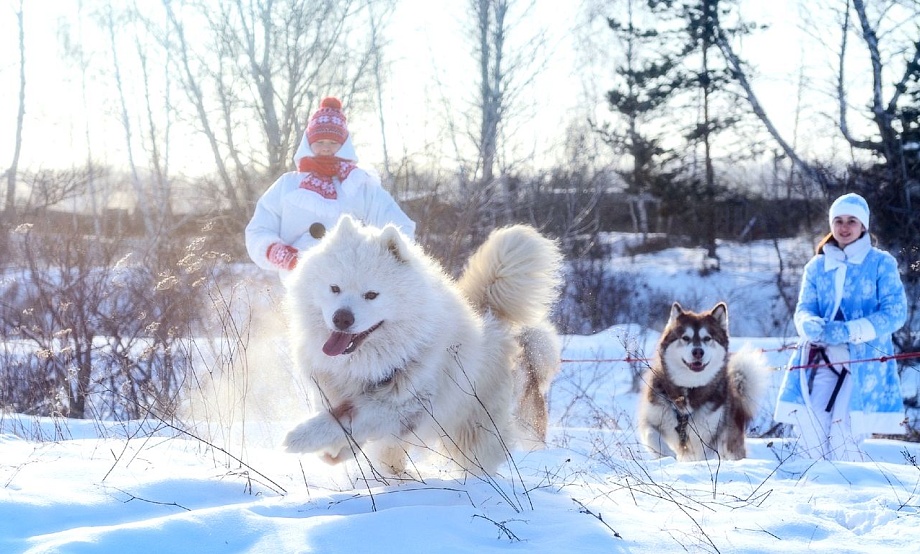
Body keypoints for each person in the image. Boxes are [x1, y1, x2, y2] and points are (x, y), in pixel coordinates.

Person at [774, 193, 908, 461]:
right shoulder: (817, 265)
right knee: (810, 433)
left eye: (851, 221)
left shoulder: (881, 263)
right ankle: (809, 493)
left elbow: (896, 313)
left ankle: (848, 494)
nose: (844, 227)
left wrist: (851, 331)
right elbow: (804, 309)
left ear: (863, 226)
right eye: (838, 221)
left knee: (843, 438)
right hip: (821, 358)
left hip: (863, 361)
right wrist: (808, 325)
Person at [245, 96, 416, 281]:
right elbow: (259, 229)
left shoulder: (360, 184)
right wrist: (278, 253)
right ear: (308, 143)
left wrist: (374, 259)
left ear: (344, 145)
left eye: (333, 143)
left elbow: (400, 228)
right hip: (297, 283)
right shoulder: (288, 185)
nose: (326, 148)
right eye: (319, 142)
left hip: (351, 285)